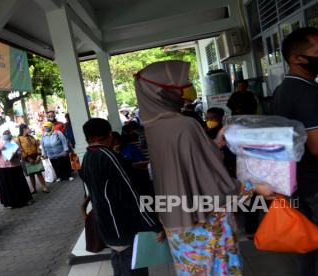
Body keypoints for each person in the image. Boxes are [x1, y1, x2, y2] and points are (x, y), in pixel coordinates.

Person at [134, 60, 275, 275]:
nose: (188, 86)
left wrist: (216, 143)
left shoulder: (153, 125)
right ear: (162, 91)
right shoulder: (184, 124)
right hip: (204, 222)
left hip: (177, 218)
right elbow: (213, 182)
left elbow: (187, 161)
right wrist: (254, 188)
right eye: (183, 83)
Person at [272, 27, 318, 275]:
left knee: (310, 247)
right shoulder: (307, 93)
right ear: (297, 58)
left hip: (301, 183)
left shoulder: (283, 91)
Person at [79, 118, 164, 276]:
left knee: (120, 264)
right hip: (122, 225)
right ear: (109, 134)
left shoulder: (88, 156)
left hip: (105, 225)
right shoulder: (108, 156)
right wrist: (153, 225)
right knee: (131, 266)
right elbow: (131, 193)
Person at [0, 130, 33, 208]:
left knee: (19, 184)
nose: (7, 135)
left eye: (8, 133)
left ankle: (24, 200)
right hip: (3, 167)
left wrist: (17, 153)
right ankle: (10, 203)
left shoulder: (14, 140)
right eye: (5, 133)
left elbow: (20, 150)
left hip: (15, 165)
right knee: (8, 186)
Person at [17, 124, 49, 194]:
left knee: (39, 173)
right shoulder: (19, 139)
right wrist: (27, 158)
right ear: (24, 129)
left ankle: (44, 187)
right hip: (27, 159)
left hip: (36, 156)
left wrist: (38, 155)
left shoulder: (31, 137)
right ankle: (34, 188)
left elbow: (37, 146)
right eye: (28, 128)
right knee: (31, 174)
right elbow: (20, 149)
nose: (29, 129)